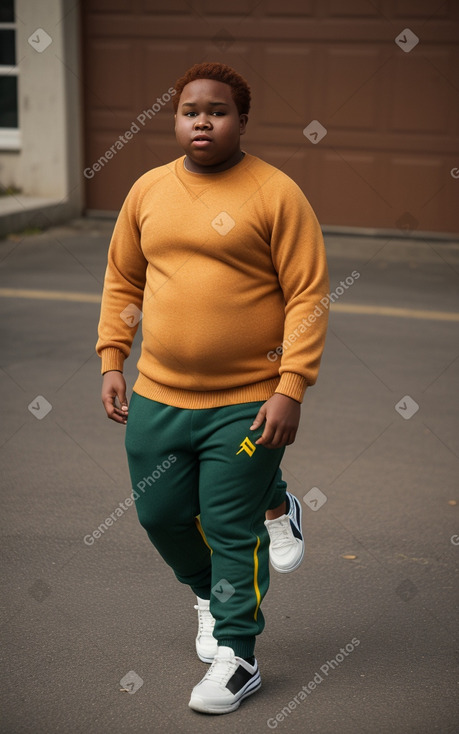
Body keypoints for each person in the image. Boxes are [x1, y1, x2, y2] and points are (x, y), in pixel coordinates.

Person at [96, 62, 329, 715]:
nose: (203, 120)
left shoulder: (275, 193)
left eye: (218, 110)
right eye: (190, 110)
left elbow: (307, 296)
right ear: (175, 120)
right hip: (158, 396)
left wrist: (291, 386)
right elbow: (123, 280)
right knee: (160, 514)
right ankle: (240, 547)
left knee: (228, 525)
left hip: (248, 402)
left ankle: (238, 656)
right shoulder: (147, 191)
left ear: (241, 121)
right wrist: (112, 357)